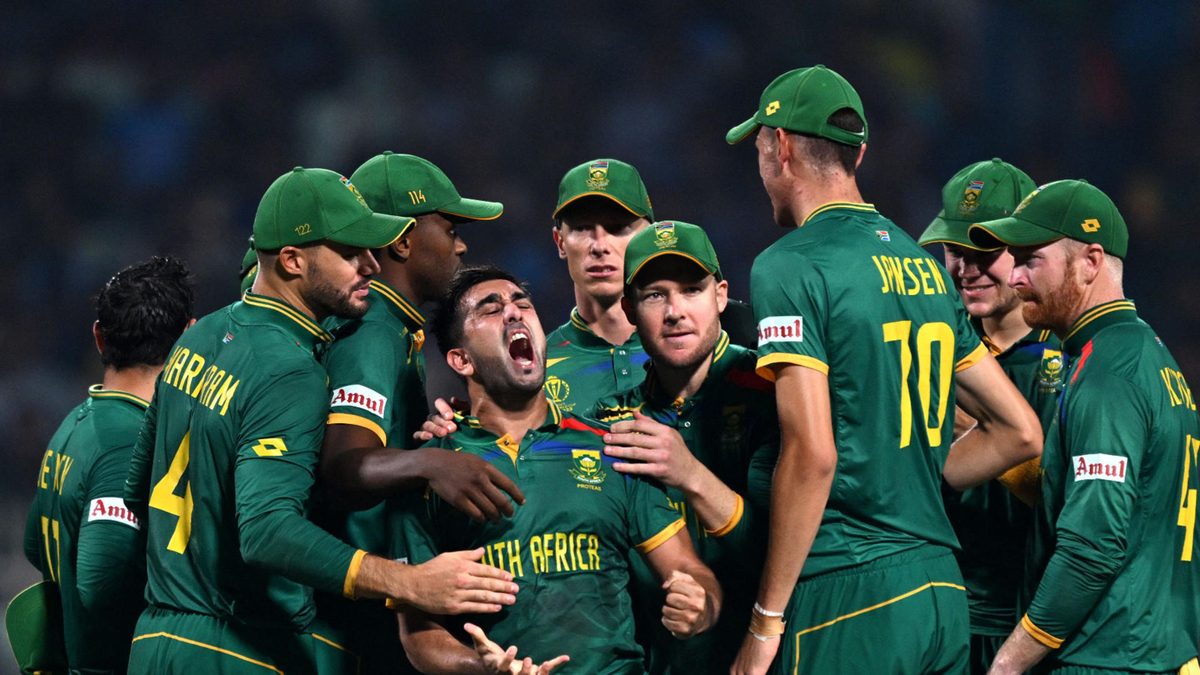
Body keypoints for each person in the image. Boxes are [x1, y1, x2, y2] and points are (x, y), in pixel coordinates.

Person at [123, 167, 518, 674]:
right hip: (241, 647)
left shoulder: (201, 335)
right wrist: (411, 582)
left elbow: (139, 489)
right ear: (291, 259)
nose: (370, 265)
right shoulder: (292, 368)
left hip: (157, 638)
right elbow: (266, 532)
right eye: (350, 253)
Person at [724, 65, 1043, 674]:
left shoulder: (789, 265)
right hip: (941, 595)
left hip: (849, 591)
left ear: (780, 146)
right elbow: (1019, 430)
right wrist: (908, 479)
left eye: (760, 149)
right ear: (860, 153)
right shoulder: (921, 265)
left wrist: (764, 628)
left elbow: (812, 454)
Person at [393, 265, 722, 674]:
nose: (514, 313)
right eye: (492, 309)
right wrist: (484, 668)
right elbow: (419, 634)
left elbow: (692, 573)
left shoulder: (611, 446)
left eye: (523, 304)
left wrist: (700, 605)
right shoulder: (435, 470)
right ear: (460, 360)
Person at [969, 179, 1200, 674]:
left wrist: (1007, 665)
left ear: (1091, 261)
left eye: (1032, 260)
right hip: (1151, 648)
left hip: (1107, 657)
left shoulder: (1108, 374)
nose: (1016, 278)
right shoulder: (1144, 353)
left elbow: (1091, 549)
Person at [315, 151, 522, 674]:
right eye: (450, 226)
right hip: (345, 624)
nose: (461, 243)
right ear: (403, 240)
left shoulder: (394, 331)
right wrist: (432, 464)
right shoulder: (374, 335)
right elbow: (342, 468)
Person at [595, 221, 778, 673]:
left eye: (692, 290)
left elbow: (786, 548)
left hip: (765, 655)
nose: (674, 311)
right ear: (629, 309)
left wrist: (690, 473)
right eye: (655, 295)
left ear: (720, 296)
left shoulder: (771, 390)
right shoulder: (611, 418)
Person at [917, 158, 1062, 673]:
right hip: (938, 619)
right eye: (954, 251)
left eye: (985, 251)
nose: (965, 268)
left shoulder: (1068, 360)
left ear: (1025, 252)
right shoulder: (929, 352)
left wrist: (988, 434)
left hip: (1031, 631)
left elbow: (1082, 512)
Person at [23, 256, 194, 674]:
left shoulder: (75, 423)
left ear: (99, 337)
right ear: (190, 336)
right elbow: (101, 585)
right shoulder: (128, 441)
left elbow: (33, 543)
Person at [544, 158, 654, 415]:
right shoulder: (533, 368)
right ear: (560, 242)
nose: (600, 246)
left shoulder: (696, 348)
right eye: (583, 228)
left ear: (650, 237)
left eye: (617, 228)